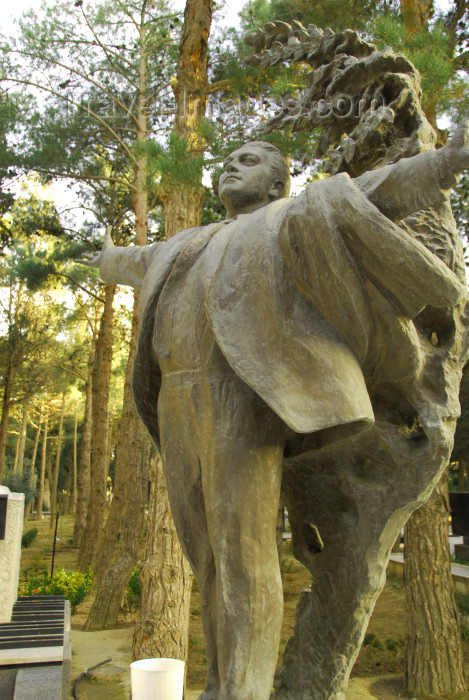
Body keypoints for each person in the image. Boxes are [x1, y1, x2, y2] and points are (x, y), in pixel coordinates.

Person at [79, 117, 469, 700]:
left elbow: (376, 190)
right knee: (205, 558)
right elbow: (134, 261)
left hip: (242, 395)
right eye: (227, 160)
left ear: (275, 186)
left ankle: (245, 692)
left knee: (242, 554)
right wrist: (104, 257)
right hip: (176, 404)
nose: (231, 165)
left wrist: (447, 163)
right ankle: (222, 685)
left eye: (250, 160)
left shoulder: (290, 216)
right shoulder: (186, 243)